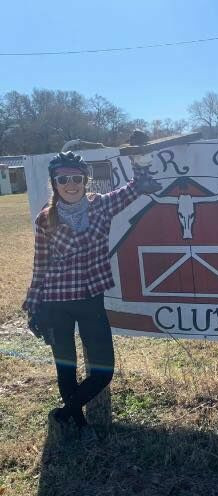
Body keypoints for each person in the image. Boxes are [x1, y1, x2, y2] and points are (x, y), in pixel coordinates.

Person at [23, 150, 160, 443]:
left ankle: (63, 414)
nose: (70, 184)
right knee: (66, 367)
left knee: (103, 369)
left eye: (76, 178)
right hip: (55, 302)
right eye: (63, 179)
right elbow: (40, 265)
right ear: (54, 183)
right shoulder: (45, 219)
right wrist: (33, 305)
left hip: (90, 299)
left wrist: (140, 157)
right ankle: (80, 424)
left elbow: (139, 186)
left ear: (85, 181)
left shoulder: (102, 206)